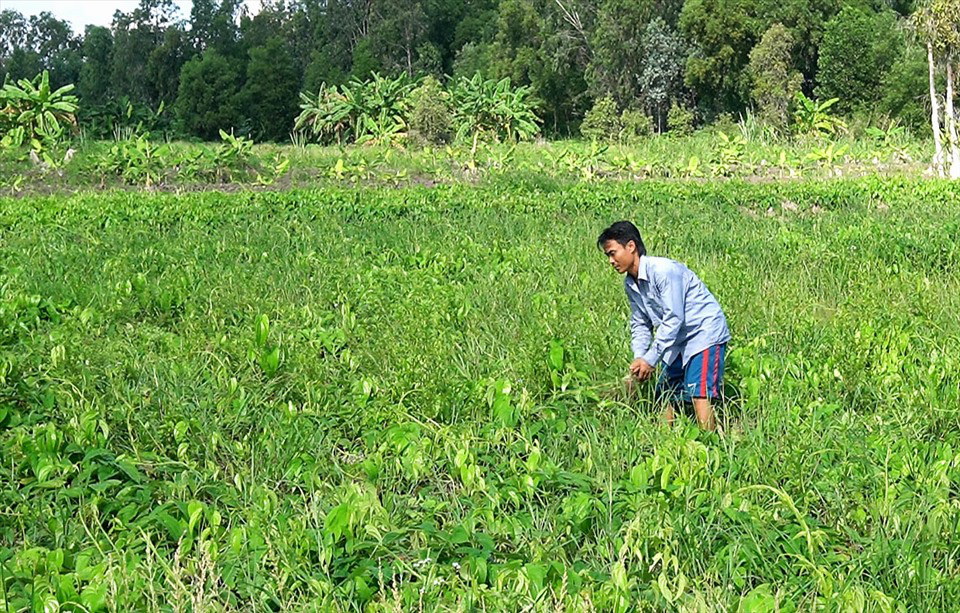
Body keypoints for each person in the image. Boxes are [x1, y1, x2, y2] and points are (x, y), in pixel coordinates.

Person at [598, 221, 730, 430]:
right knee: (665, 395)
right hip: (675, 340)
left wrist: (651, 360)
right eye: (608, 256)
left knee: (699, 393)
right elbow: (641, 322)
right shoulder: (630, 283)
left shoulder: (663, 271)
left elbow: (674, 318)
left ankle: (712, 446)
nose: (611, 261)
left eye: (613, 253)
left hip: (702, 333)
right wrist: (640, 357)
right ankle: (664, 444)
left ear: (631, 247)